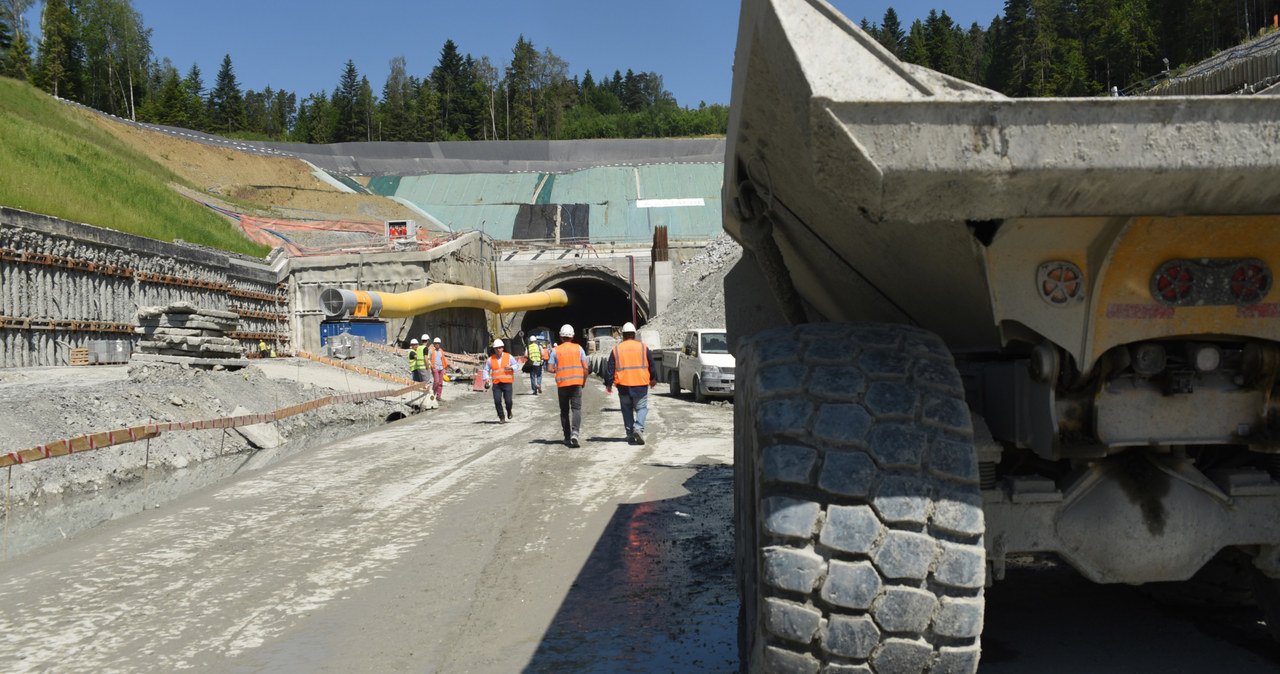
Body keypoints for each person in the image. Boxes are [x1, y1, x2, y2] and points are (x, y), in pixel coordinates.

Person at [604, 322, 658, 444]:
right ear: (634, 335)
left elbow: (610, 368)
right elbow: (652, 364)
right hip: (640, 383)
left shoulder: (616, 349)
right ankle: (638, 428)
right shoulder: (643, 347)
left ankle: (630, 434)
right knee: (642, 408)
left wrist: (608, 383)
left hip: (623, 385)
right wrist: (653, 378)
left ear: (623, 335)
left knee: (627, 410)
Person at [548, 324, 588, 447]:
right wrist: (583, 381)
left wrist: (558, 370)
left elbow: (549, 368)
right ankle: (575, 433)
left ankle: (566, 436)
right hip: (576, 383)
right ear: (572, 337)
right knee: (576, 409)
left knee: (564, 411)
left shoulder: (556, 350)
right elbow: (585, 367)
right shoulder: (579, 348)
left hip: (563, 384)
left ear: (560, 337)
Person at [483, 338, 515, 423]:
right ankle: (501, 417)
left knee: (508, 401)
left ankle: (509, 411)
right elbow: (486, 369)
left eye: (499, 348)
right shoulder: (491, 359)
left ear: (502, 348)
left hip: (507, 382)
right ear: (494, 349)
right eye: (496, 348)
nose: (498, 350)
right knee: (497, 400)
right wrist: (486, 378)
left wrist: (511, 367)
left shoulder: (509, 357)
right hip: (497, 384)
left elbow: (516, 365)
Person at [428, 337, 449, 401]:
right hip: (435, 368)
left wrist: (444, 369)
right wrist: (431, 366)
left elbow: (443, 359)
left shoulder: (441, 350)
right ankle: (433, 396)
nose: (437, 344)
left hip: (441, 368)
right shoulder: (431, 350)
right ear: (434, 343)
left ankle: (438, 397)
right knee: (436, 382)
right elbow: (428, 359)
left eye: (438, 343)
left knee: (440, 383)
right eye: (436, 343)